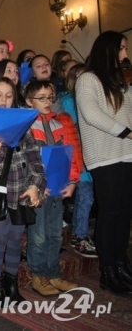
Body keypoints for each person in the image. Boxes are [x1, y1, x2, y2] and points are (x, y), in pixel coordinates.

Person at [0, 77, 46, 305]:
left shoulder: (25, 128)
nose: (3, 100)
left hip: (21, 192)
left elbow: (37, 163)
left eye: (9, 95)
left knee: (15, 240)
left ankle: (11, 285)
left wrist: (35, 186)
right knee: (0, 240)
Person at [75, 31, 132, 296]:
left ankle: (122, 265)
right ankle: (108, 272)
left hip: (127, 154)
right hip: (104, 157)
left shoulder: (121, 82)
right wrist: (125, 131)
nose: (125, 54)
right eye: (121, 49)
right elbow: (91, 113)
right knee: (109, 215)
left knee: (124, 214)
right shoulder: (87, 79)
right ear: (107, 49)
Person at [25, 79, 82, 296]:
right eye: (42, 98)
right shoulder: (27, 126)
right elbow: (27, 160)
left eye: (50, 97)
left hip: (58, 187)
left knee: (55, 234)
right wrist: (36, 185)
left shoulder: (59, 124)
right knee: (38, 234)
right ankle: (39, 276)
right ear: (30, 101)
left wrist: (73, 181)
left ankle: (53, 274)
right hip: (39, 189)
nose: (48, 102)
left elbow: (68, 157)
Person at [58, 63, 97, 258]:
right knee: (86, 196)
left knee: (90, 199)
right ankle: (79, 236)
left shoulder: (96, 100)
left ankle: (82, 232)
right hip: (77, 157)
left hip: (95, 155)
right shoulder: (66, 102)